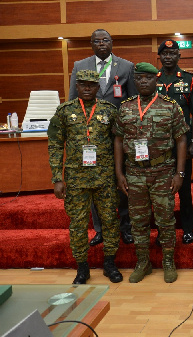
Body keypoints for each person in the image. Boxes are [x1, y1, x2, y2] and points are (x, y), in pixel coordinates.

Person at [114, 62, 189, 283]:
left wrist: (180, 173)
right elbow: (118, 140)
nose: (143, 82)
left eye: (147, 78)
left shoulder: (170, 106)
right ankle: (143, 261)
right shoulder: (126, 107)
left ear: (156, 80)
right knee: (138, 220)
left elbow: (181, 139)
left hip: (163, 170)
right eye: (139, 79)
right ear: (135, 81)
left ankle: (168, 261)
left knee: (165, 219)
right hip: (134, 172)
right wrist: (119, 173)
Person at [48, 69, 123, 284]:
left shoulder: (109, 111)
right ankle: (82, 267)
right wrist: (57, 177)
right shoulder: (64, 111)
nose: (87, 88)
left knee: (109, 221)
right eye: (83, 84)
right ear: (77, 87)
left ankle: (109, 263)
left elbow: (119, 143)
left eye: (91, 84)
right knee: (78, 224)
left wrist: (119, 175)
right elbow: (54, 145)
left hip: (105, 178)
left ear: (98, 87)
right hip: (76, 179)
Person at [68, 29, 136, 246]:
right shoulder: (80, 65)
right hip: (91, 134)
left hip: (120, 134)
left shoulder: (126, 66)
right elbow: (72, 99)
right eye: (96, 41)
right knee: (93, 181)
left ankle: (125, 226)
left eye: (105, 40)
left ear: (112, 42)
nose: (101, 44)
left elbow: (133, 100)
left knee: (121, 180)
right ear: (91, 44)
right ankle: (100, 229)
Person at [156, 39, 193, 245]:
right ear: (160, 56)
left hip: (181, 144)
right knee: (159, 191)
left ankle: (187, 229)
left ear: (178, 56)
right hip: (156, 146)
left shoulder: (190, 80)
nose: (168, 57)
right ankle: (162, 230)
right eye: (164, 54)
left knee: (183, 189)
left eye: (172, 53)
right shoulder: (152, 79)